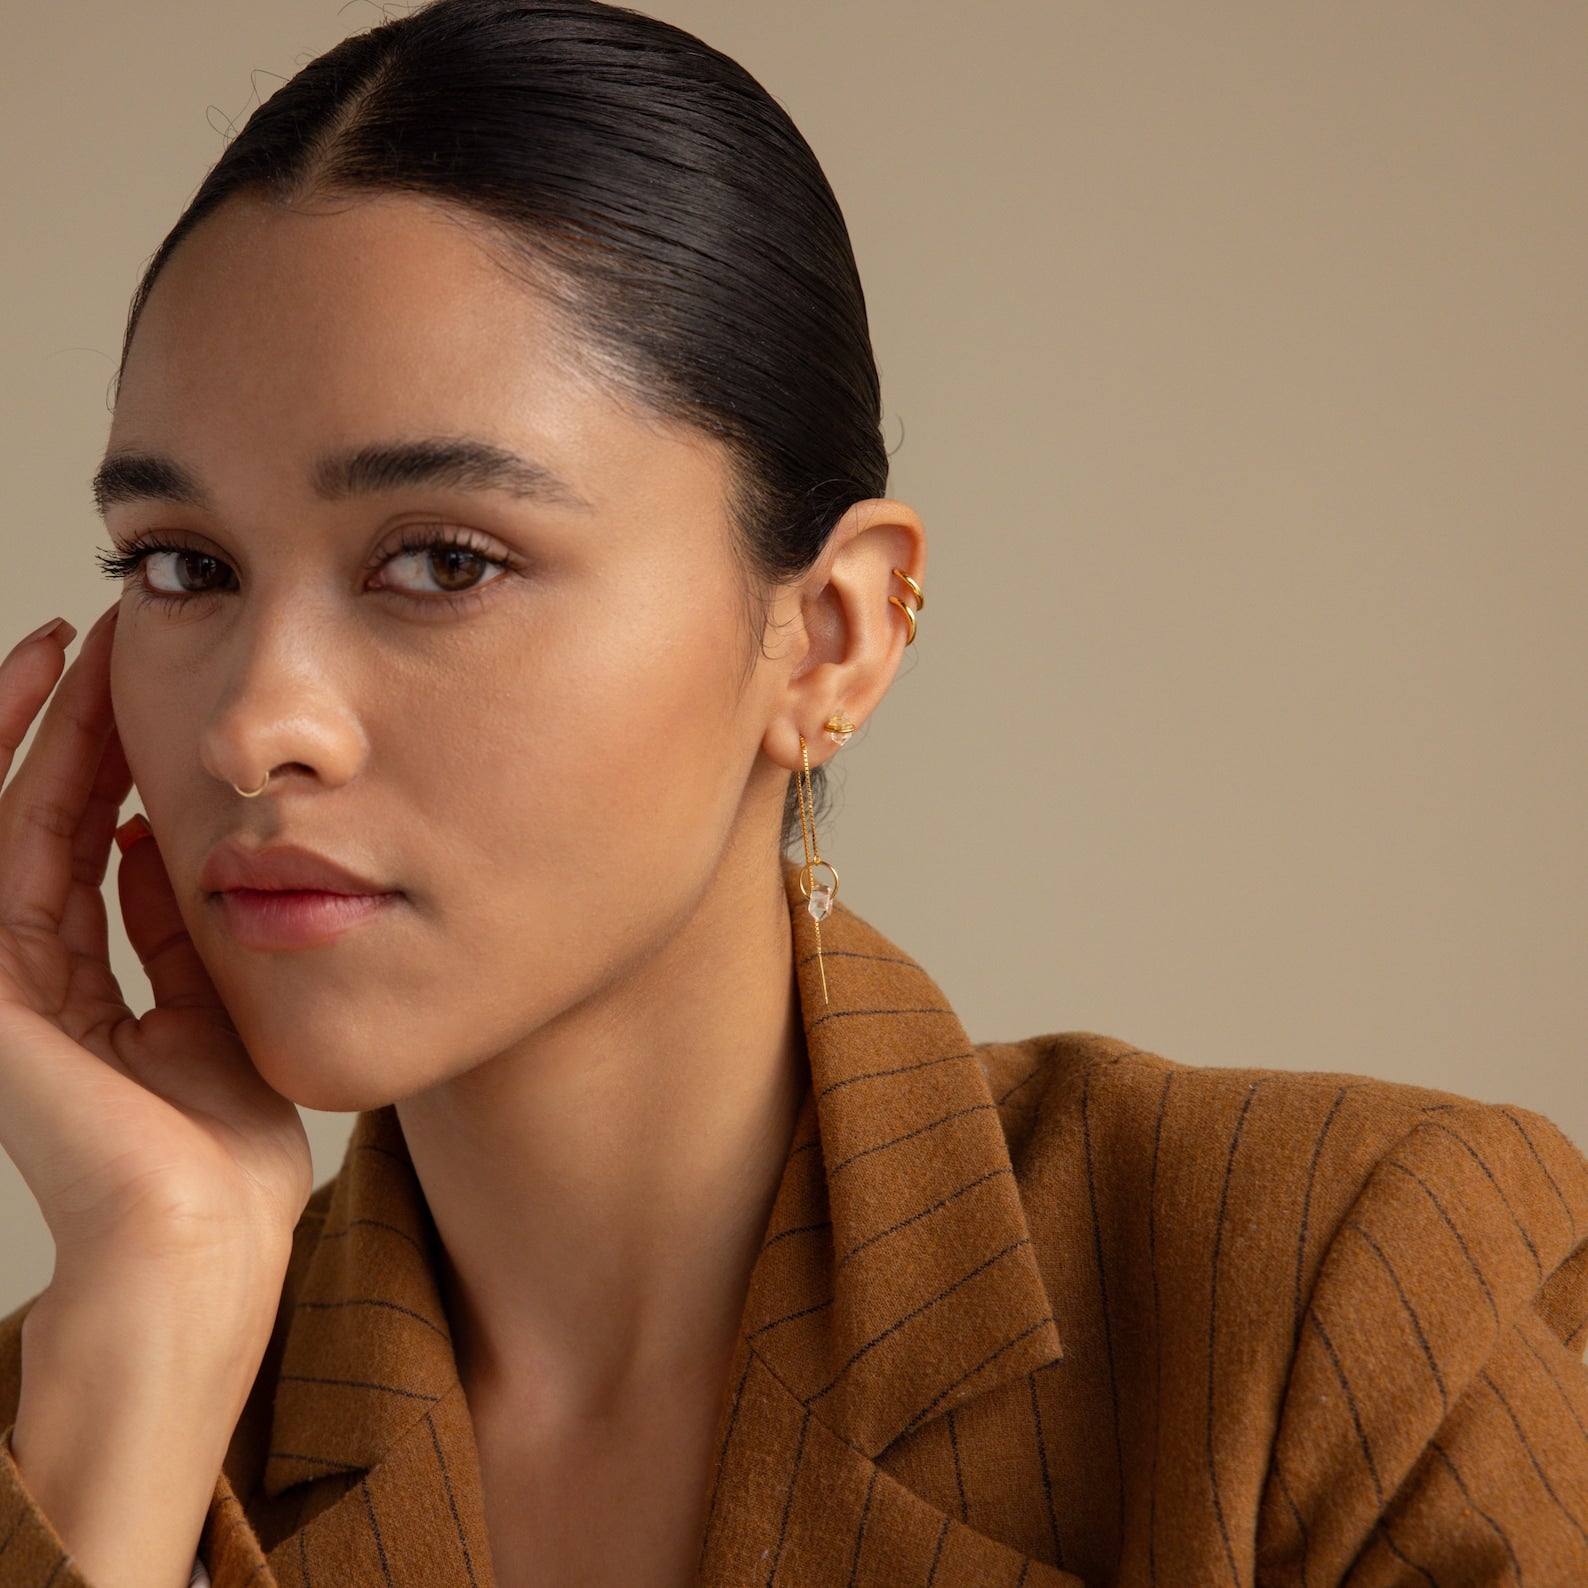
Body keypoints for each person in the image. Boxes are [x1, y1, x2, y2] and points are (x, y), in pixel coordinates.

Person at [0, 1, 1584, 1584]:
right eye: (182, 564)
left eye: (442, 558)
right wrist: (154, 1313)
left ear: (833, 633)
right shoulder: (79, 1419)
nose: (257, 724)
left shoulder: (1333, 1301)